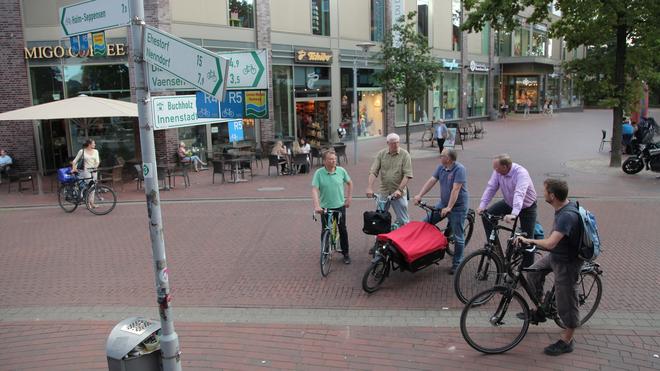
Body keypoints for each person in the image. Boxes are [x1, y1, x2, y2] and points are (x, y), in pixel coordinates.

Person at [515, 178, 583, 356]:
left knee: (566, 302)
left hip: (567, 262)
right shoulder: (561, 208)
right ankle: (540, 311)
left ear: (552, 195)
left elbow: (551, 243)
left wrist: (529, 240)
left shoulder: (566, 216)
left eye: (544, 191)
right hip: (557, 256)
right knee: (533, 273)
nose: (542, 193)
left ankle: (567, 340)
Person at [413, 148, 469, 274]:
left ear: (448, 158)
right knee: (426, 223)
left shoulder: (459, 169)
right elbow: (432, 181)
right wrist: (420, 195)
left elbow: (456, 189)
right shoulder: (441, 168)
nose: (440, 157)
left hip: (458, 206)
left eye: (442, 155)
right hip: (443, 203)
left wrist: (449, 208)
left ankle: (457, 263)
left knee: (459, 236)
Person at [477, 154, 538, 268]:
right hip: (509, 202)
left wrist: (514, 214)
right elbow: (491, 187)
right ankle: (494, 247)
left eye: (496, 168)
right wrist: (482, 205)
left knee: (527, 240)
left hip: (527, 207)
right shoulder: (498, 172)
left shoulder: (521, 173)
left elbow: (519, 193)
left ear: (505, 167)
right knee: (487, 215)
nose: (494, 170)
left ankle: (527, 270)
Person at [312, 151, 353, 264]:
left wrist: (349, 198)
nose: (333, 161)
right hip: (325, 208)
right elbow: (315, 189)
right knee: (325, 230)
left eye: (334, 159)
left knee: (342, 229)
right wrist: (317, 205)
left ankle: (346, 253)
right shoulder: (319, 173)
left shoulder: (341, 171)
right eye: (330, 159)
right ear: (324, 161)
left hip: (340, 206)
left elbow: (350, 183)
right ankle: (325, 252)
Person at [366, 133, 414, 227]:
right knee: (379, 218)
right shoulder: (381, 154)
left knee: (404, 220)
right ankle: (379, 239)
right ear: (387, 143)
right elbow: (373, 171)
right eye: (392, 143)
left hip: (398, 192)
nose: (395, 145)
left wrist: (399, 190)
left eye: (397, 143)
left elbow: (407, 174)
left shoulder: (405, 155)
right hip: (384, 191)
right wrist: (369, 187)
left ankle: (404, 239)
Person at [71, 139, 100, 207]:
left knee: (93, 187)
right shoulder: (82, 151)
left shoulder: (96, 151)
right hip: (86, 171)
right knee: (90, 186)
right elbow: (74, 161)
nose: (95, 145)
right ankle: (88, 203)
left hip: (94, 170)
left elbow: (97, 161)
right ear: (89, 145)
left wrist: (95, 167)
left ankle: (92, 203)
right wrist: (74, 168)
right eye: (93, 144)